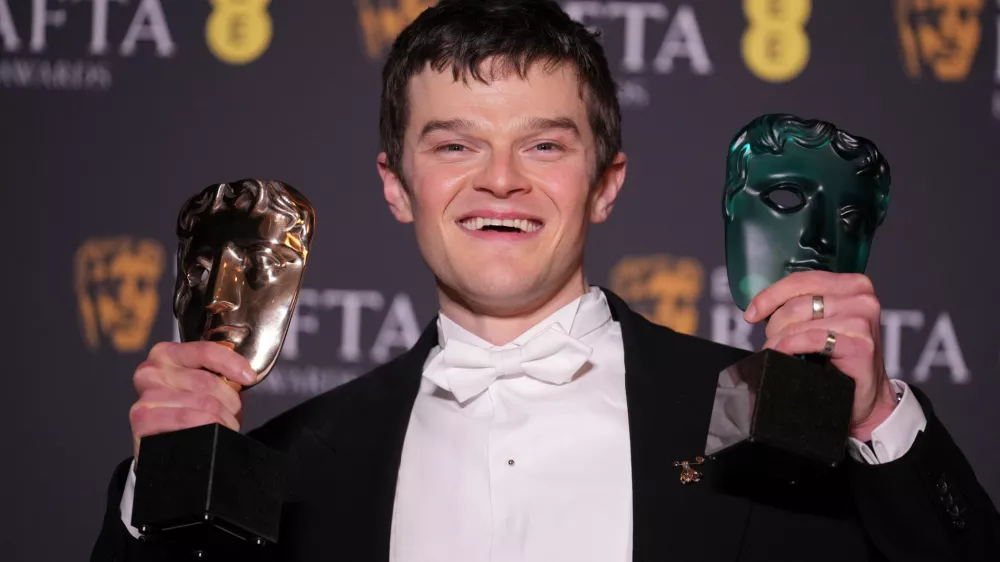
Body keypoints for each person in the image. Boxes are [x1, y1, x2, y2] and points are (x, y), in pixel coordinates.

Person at [91, 1, 1000, 560]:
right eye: (455, 145)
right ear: (397, 187)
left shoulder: (768, 420)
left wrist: (878, 422)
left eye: (544, 145)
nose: (500, 180)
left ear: (605, 184)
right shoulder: (286, 467)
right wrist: (160, 491)